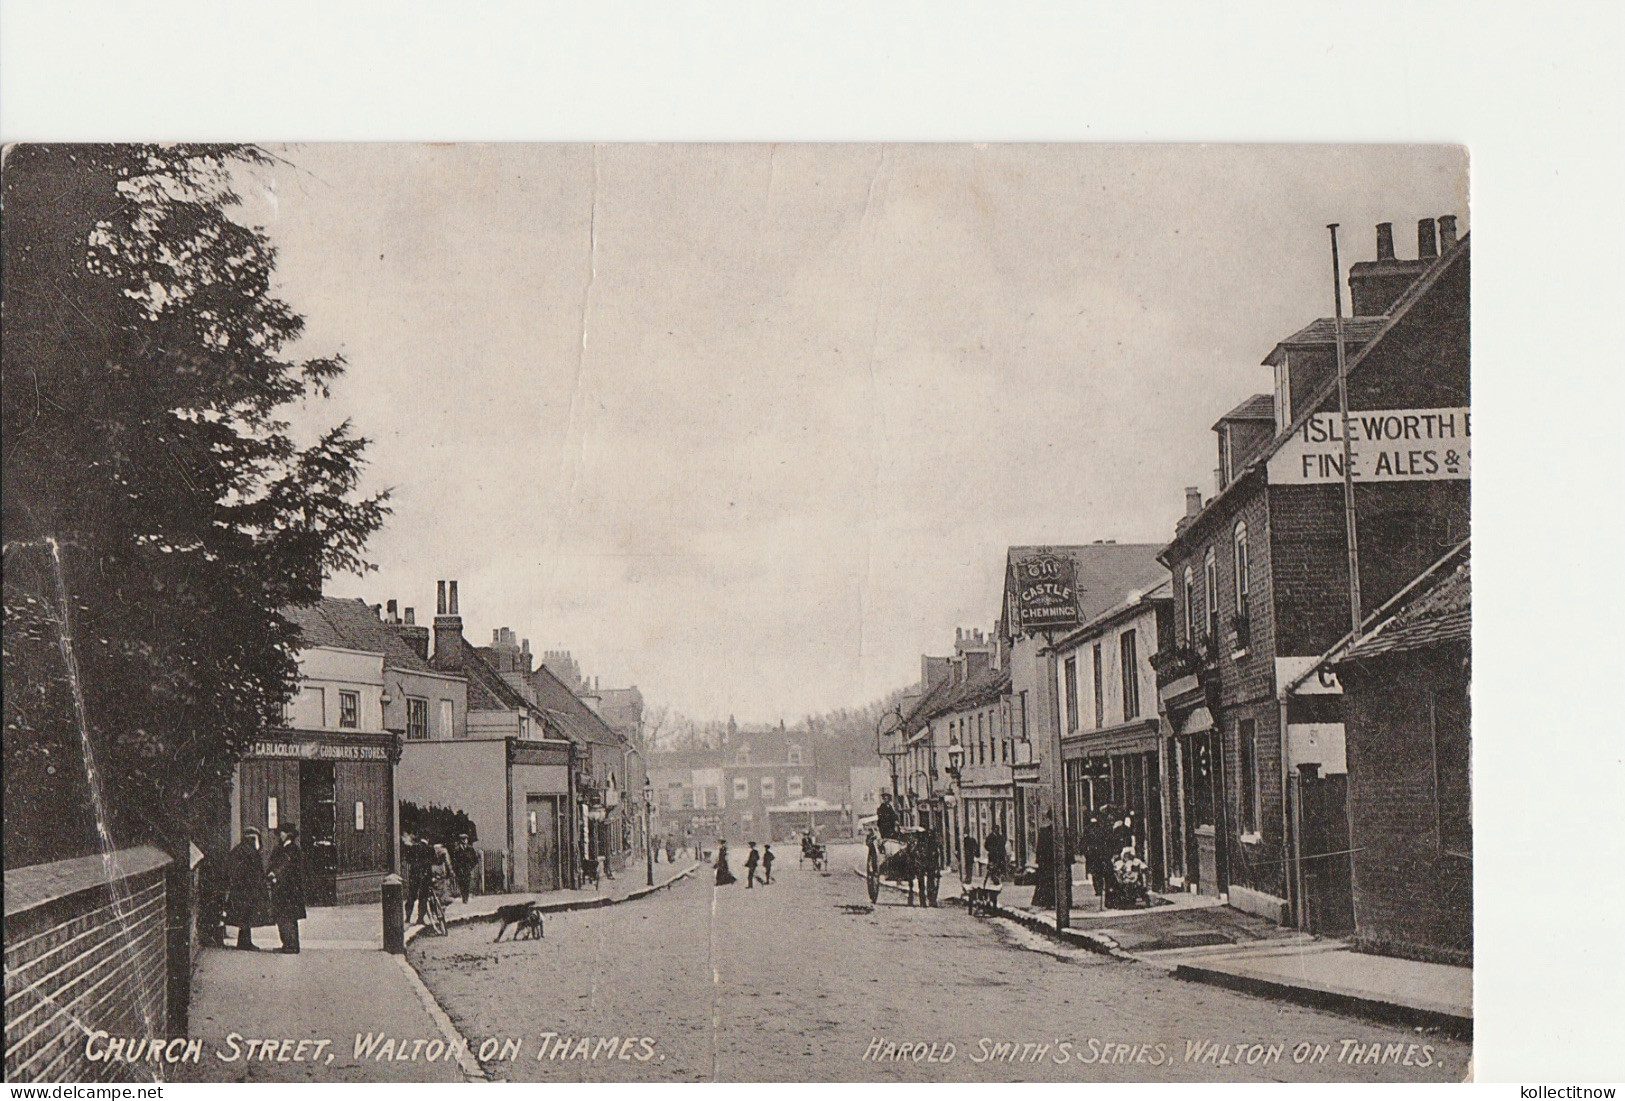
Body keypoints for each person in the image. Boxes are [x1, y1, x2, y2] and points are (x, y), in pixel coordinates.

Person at [225, 828, 270, 951]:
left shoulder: (237, 850)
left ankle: (244, 941)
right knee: (247, 916)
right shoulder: (251, 852)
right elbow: (256, 872)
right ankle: (245, 942)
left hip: (240, 889)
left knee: (244, 917)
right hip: (249, 889)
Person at [267, 824, 307, 954]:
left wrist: (275, 874)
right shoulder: (283, 848)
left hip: (288, 889)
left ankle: (291, 945)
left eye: (282, 833)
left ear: (288, 834)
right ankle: (288, 944)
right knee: (286, 917)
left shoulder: (292, 849)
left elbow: (285, 866)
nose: (280, 835)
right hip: (284, 888)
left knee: (286, 918)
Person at [451, 834, 479, 903]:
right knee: (461, 884)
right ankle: (464, 896)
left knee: (467, 883)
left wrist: (470, 867)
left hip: (467, 869)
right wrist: (456, 868)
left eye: (466, 839)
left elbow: (475, 860)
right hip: (460, 869)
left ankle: (465, 898)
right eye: (463, 839)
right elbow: (454, 860)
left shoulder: (470, 848)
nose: (465, 841)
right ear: (461, 840)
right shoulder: (457, 849)